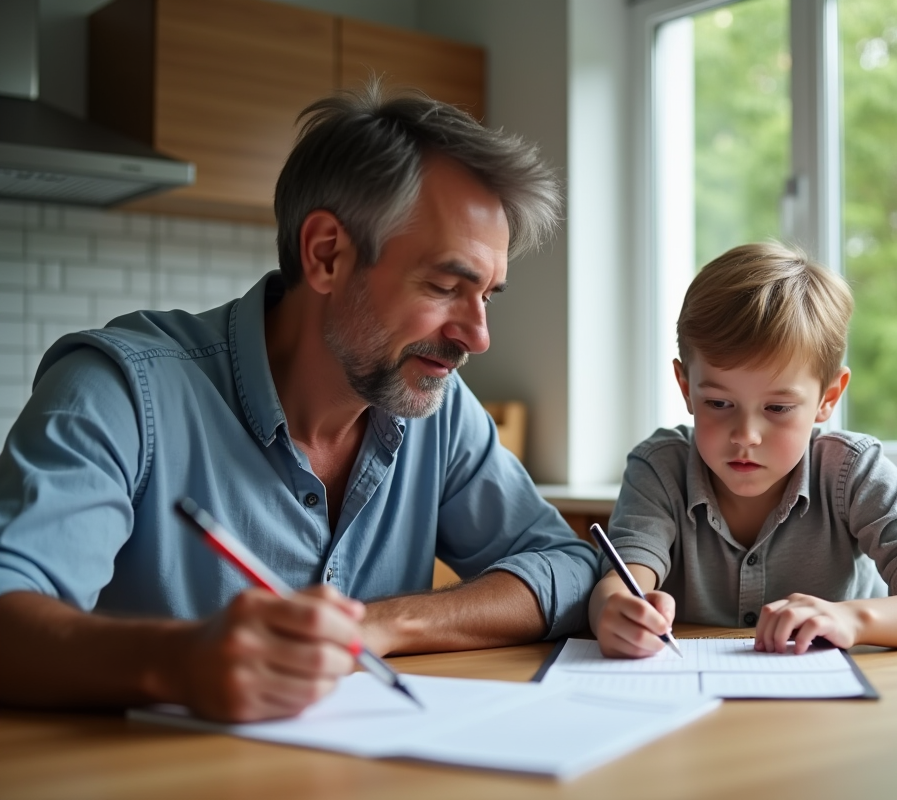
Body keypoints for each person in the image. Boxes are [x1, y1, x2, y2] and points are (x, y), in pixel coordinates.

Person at [0, 85, 599, 721]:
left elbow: (567, 566)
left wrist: (380, 625)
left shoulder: (437, 409)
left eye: (488, 295)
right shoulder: (119, 391)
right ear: (326, 254)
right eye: (445, 285)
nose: (478, 336)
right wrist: (179, 662)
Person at [589, 243, 897, 658]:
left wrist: (852, 619)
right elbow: (620, 585)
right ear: (685, 387)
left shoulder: (852, 471)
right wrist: (616, 611)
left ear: (827, 398)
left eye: (778, 408)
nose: (746, 435)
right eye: (719, 403)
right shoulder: (659, 468)